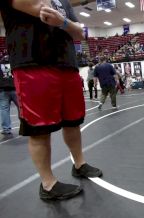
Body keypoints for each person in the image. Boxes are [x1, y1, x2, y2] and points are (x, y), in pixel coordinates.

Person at [0, 0, 102, 200]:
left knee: (73, 121)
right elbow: (41, 11)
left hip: (67, 64)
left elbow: (81, 32)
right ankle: (48, 184)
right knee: (39, 127)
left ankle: (79, 164)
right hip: (32, 63)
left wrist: (64, 23)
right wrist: (67, 23)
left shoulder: (62, 1)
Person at [0, 64, 19, 135]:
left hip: (2, 88)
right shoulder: (15, 60)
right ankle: (26, 125)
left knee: (4, 109)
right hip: (15, 87)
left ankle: (6, 129)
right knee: (21, 108)